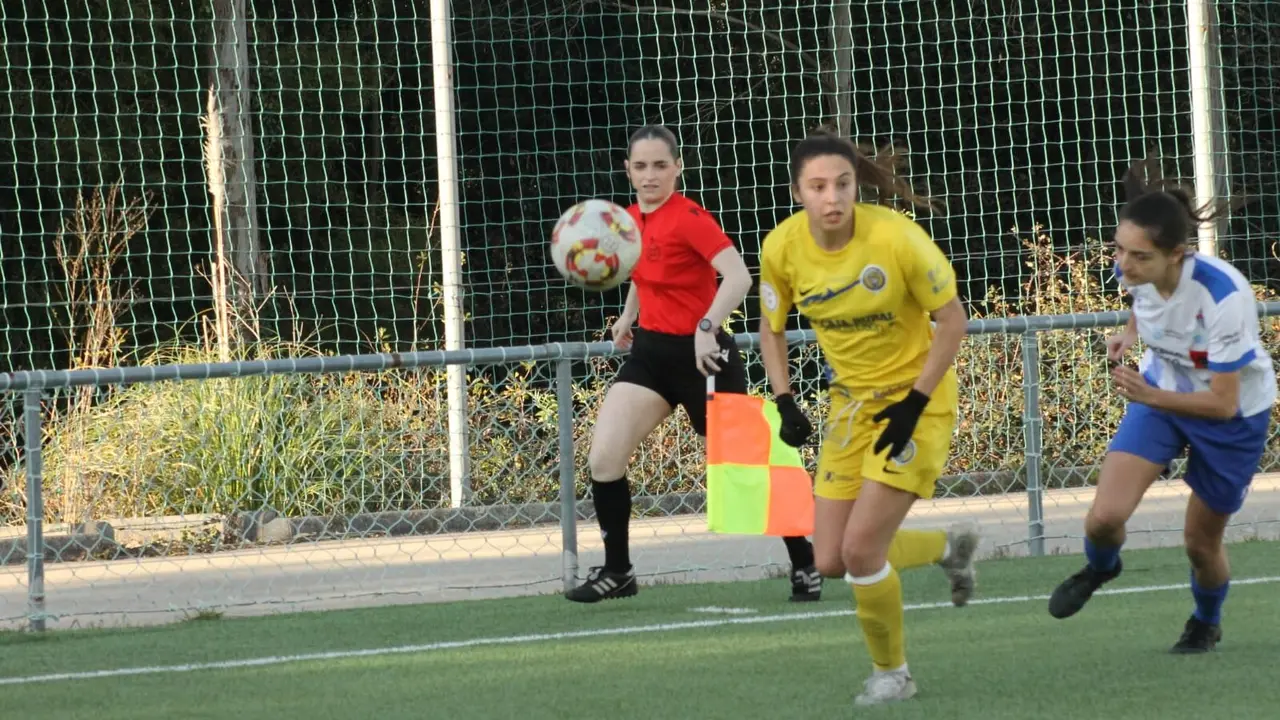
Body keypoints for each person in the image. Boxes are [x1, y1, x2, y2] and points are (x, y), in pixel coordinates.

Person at [756, 129, 982, 706]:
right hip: (850, 407)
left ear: (856, 185)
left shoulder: (898, 239)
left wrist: (913, 404)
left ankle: (893, 674)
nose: (831, 198)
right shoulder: (781, 248)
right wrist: (784, 400)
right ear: (797, 192)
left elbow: (953, 321)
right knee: (831, 560)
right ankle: (947, 548)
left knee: (860, 552)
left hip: (917, 403)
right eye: (817, 186)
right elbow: (771, 328)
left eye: (842, 184)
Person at [566, 124, 822, 604]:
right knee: (604, 459)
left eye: (660, 165)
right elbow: (645, 272)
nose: (650, 175)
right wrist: (627, 316)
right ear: (627, 171)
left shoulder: (689, 218)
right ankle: (618, 572)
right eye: (640, 166)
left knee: (749, 467)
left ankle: (804, 561)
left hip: (706, 359)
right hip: (650, 357)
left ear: (678, 168)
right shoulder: (626, 222)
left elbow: (738, 276)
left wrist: (706, 328)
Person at [1047, 158, 1274, 654]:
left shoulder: (1223, 296)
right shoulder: (1133, 268)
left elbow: (1223, 403)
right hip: (1161, 397)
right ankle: (1103, 567)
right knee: (1103, 519)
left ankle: (1205, 622)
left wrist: (1148, 395)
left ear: (1177, 254)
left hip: (1231, 419)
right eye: (1119, 250)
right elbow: (1140, 301)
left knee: (1199, 543)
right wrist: (1129, 335)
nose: (1124, 265)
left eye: (1139, 256)